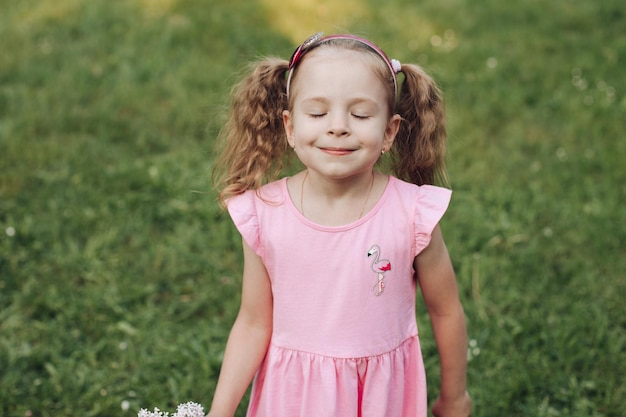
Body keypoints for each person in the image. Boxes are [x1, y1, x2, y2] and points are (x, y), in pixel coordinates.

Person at [208, 32, 471, 417]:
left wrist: (454, 397)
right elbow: (252, 322)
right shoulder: (266, 213)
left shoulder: (411, 213)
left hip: (379, 398)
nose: (338, 127)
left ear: (389, 131)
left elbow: (446, 310)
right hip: (293, 398)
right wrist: (220, 410)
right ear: (290, 126)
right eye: (317, 113)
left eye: (360, 114)